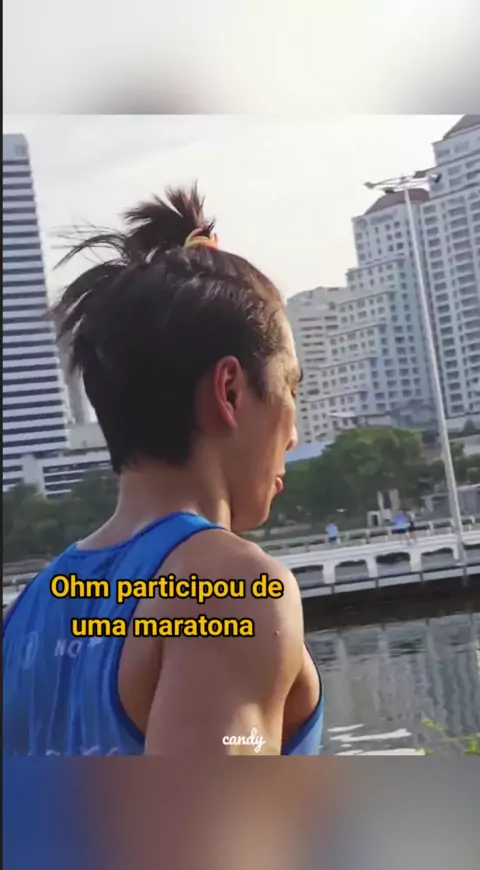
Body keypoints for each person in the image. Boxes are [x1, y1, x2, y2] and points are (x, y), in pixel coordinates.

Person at [3, 184, 323, 757]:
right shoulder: (230, 591)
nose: (294, 432)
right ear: (230, 391)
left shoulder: (28, 612)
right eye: (290, 389)